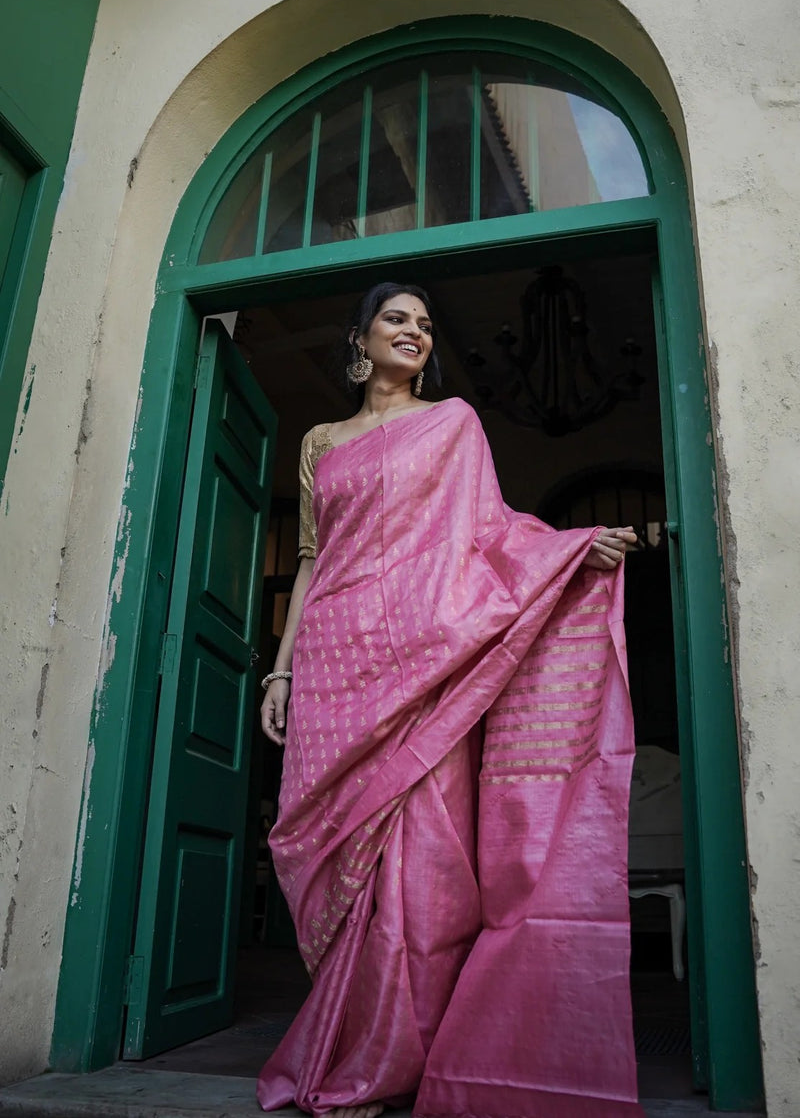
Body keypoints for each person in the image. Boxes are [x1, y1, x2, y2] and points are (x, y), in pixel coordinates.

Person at [257, 282, 642, 1118]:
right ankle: (348, 1036)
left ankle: (385, 1059)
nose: (416, 333)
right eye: (398, 318)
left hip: (424, 662)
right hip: (332, 661)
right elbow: (314, 557)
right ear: (361, 337)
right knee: (324, 854)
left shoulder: (454, 423)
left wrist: (576, 549)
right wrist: (281, 671)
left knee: (422, 858)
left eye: (427, 325)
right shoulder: (322, 440)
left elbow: (489, 532)